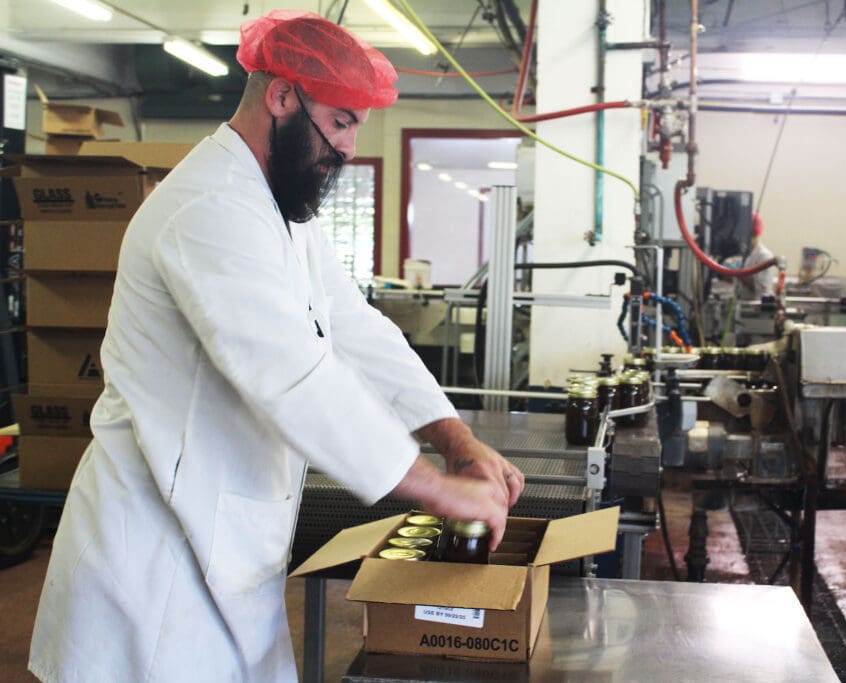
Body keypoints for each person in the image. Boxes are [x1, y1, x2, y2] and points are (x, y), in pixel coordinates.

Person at [28, 10, 525, 683]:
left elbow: (354, 328)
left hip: (223, 539)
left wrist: (455, 439)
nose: (349, 147)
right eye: (342, 122)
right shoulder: (209, 209)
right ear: (283, 97)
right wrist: (437, 489)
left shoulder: (276, 211)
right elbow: (293, 376)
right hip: (153, 560)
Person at [737, 212, 779, 300]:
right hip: (744, 304)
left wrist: (737, 273)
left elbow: (761, 289)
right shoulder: (746, 253)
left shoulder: (764, 256)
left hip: (757, 307)